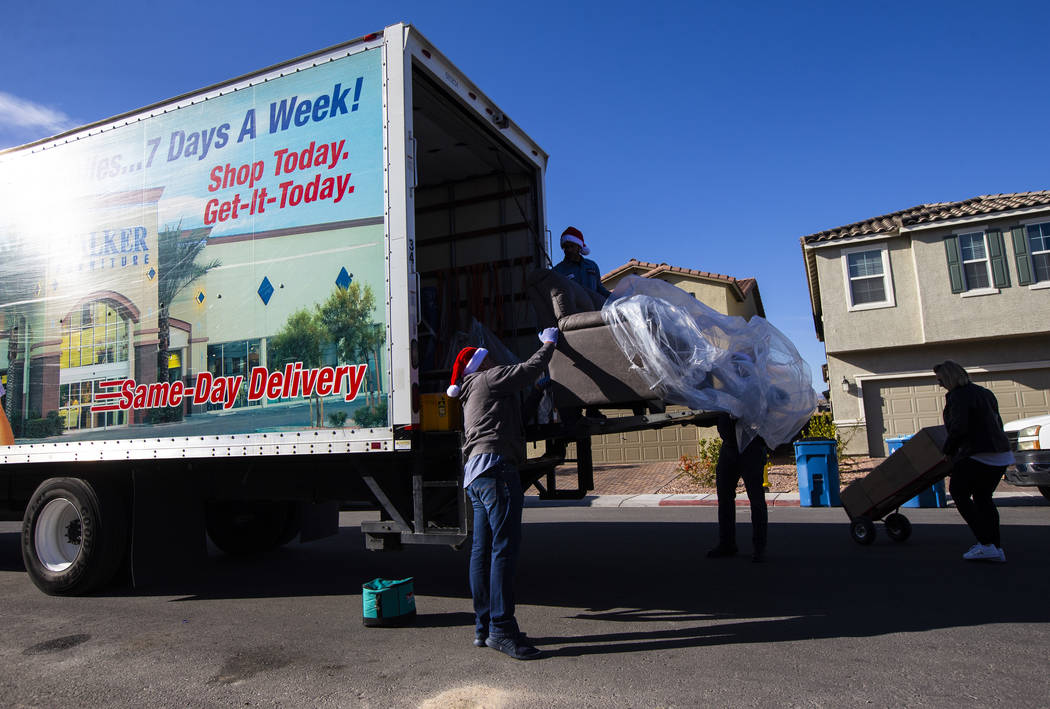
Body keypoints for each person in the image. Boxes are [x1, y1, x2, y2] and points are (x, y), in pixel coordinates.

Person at [446, 327, 558, 660]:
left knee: (482, 551)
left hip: (477, 475)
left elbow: (513, 419)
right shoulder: (488, 379)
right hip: (496, 470)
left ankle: (484, 627)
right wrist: (549, 344)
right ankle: (502, 629)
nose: (495, 359)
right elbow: (526, 370)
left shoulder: (473, 391)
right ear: (480, 364)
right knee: (504, 550)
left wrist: (537, 393)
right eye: (488, 357)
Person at [934, 360, 1013, 562]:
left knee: (959, 493)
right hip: (1001, 454)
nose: (939, 384)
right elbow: (998, 422)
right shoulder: (984, 393)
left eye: (940, 379)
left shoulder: (958, 396)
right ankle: (995, 547)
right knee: (983, 498)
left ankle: (986, 544)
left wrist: (948, 452)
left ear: (949, 377)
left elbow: (960, 428)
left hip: (978, 453)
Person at [706, 413, 769, 562]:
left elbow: (775, 402)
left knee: (756, 499)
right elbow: (714, 412)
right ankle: (727, 544)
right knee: (724, 497)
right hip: (729, 448)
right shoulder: (725, 391)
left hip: (751, 448)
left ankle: (759, 548)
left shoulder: (755, 391)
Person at [553, 226, 611, 299]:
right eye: (565, 247)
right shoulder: (557, 271)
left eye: (572, 246)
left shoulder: (592, 265)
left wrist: (615, 297)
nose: (569, 250)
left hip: (595, 308)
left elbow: (600, 289)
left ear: (579, 247)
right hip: (575, 309)